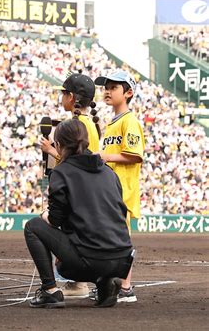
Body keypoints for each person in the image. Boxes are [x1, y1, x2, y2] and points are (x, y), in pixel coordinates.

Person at [24, 119, 135, 309]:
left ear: (58, 145)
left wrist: (44, 215)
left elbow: (55, 219)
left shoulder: (61, 172)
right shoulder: (109, 172)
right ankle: (105, 285)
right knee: (93, 242)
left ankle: (50, 291)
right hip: (122, 263)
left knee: (33, 226)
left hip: (88, 262)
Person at [40, 73, 101, 298]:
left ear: (72, 97)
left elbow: (72, 162)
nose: (61, 97)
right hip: (89, 188)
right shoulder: (89, 123)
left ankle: (75, 283)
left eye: (64, 93)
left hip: (79, 188)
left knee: (60, 228)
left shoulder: (77, 125)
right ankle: (76, 282)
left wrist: (50, 151)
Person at [94, 69, 145, 303]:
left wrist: (105, 156)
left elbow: (134, 155)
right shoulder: (112, 122)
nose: (107, 90)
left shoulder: (130, 121)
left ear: (128, 93)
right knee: (112, 236)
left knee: (121, 237)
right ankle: (115, 284)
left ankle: (126, 287)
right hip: (110, 188)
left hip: (122, 188)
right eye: (106, 86)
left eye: (114, 87)